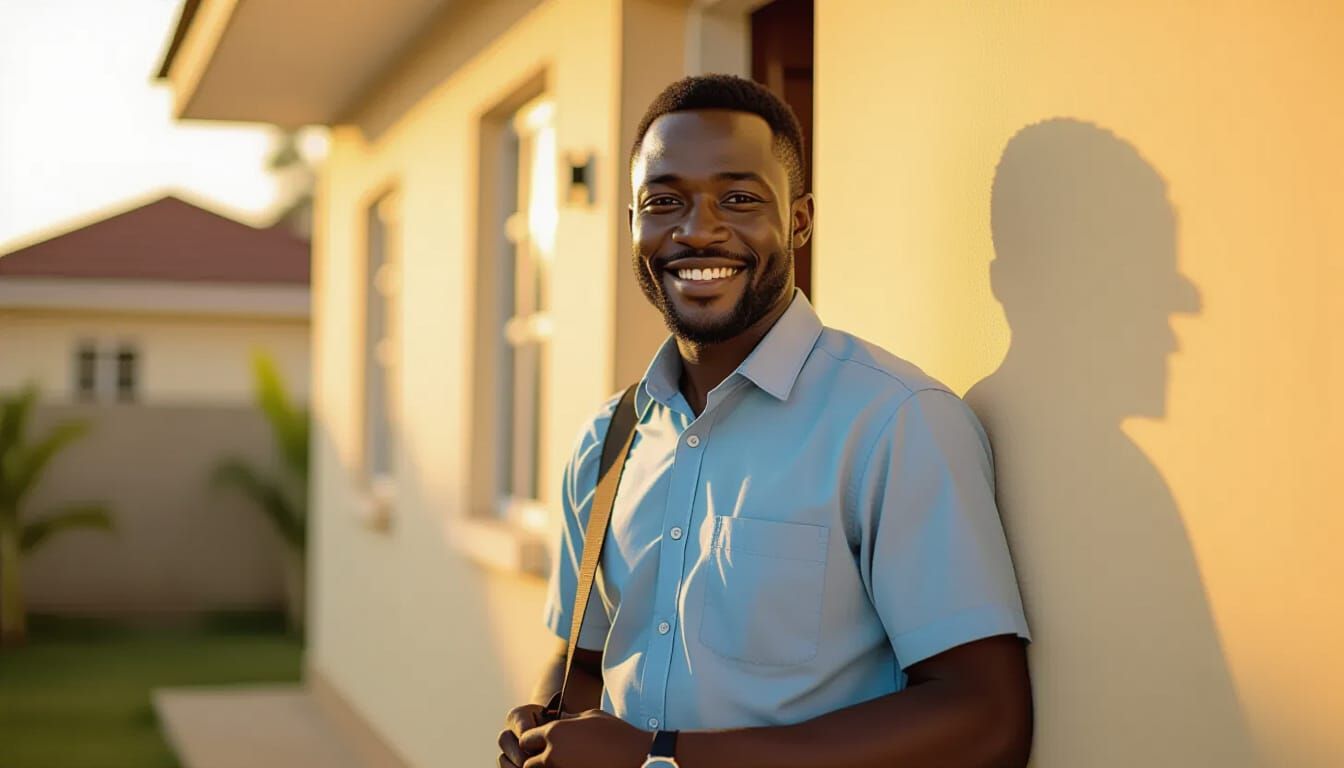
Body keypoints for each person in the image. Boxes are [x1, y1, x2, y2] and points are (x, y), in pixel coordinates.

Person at [498, 74, 1032, 768]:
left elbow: (986, 721)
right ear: (633, 222)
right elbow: (586, 662)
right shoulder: (607, 440)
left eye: (740, 198)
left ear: (801, 219)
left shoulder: (896, 424)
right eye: (664, 202)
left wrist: (659, 758)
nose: (697, 230)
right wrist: (543, 721)